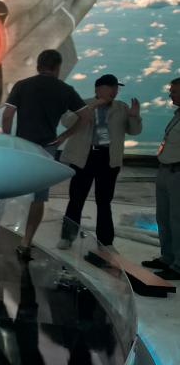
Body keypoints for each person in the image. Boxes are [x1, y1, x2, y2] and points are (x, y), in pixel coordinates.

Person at [1, 49, 91, 258]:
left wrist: (8, 139)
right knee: (39, 197)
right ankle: (26, 242)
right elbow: (86, 116)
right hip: (47, 147)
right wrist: (65, 135)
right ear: (58, 67)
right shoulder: (65, 90)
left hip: (22, 146)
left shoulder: (22, 85)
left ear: (38, 65)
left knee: (5, 189)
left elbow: (7, 115)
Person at [57, 74, 142, 250]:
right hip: (85, 156)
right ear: (98, 89)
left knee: (104, 201)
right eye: (111, 87)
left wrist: (134, 116)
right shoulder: (83, 104)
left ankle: (105, 241)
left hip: (108, 158)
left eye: (116, 88)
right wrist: (93, 105)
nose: (114, 91)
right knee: (76, 199)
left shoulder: (121, 107)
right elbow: (67, 122)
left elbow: (134, 131)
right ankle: (67, 236)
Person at [145, 78, 180, 279]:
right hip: (166, 170)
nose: (170, 95)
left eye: (174, 91)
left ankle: (178, 265)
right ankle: (167, 257)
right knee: (164, 217)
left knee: (177, 219)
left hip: (177, 173)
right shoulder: (177, 116)